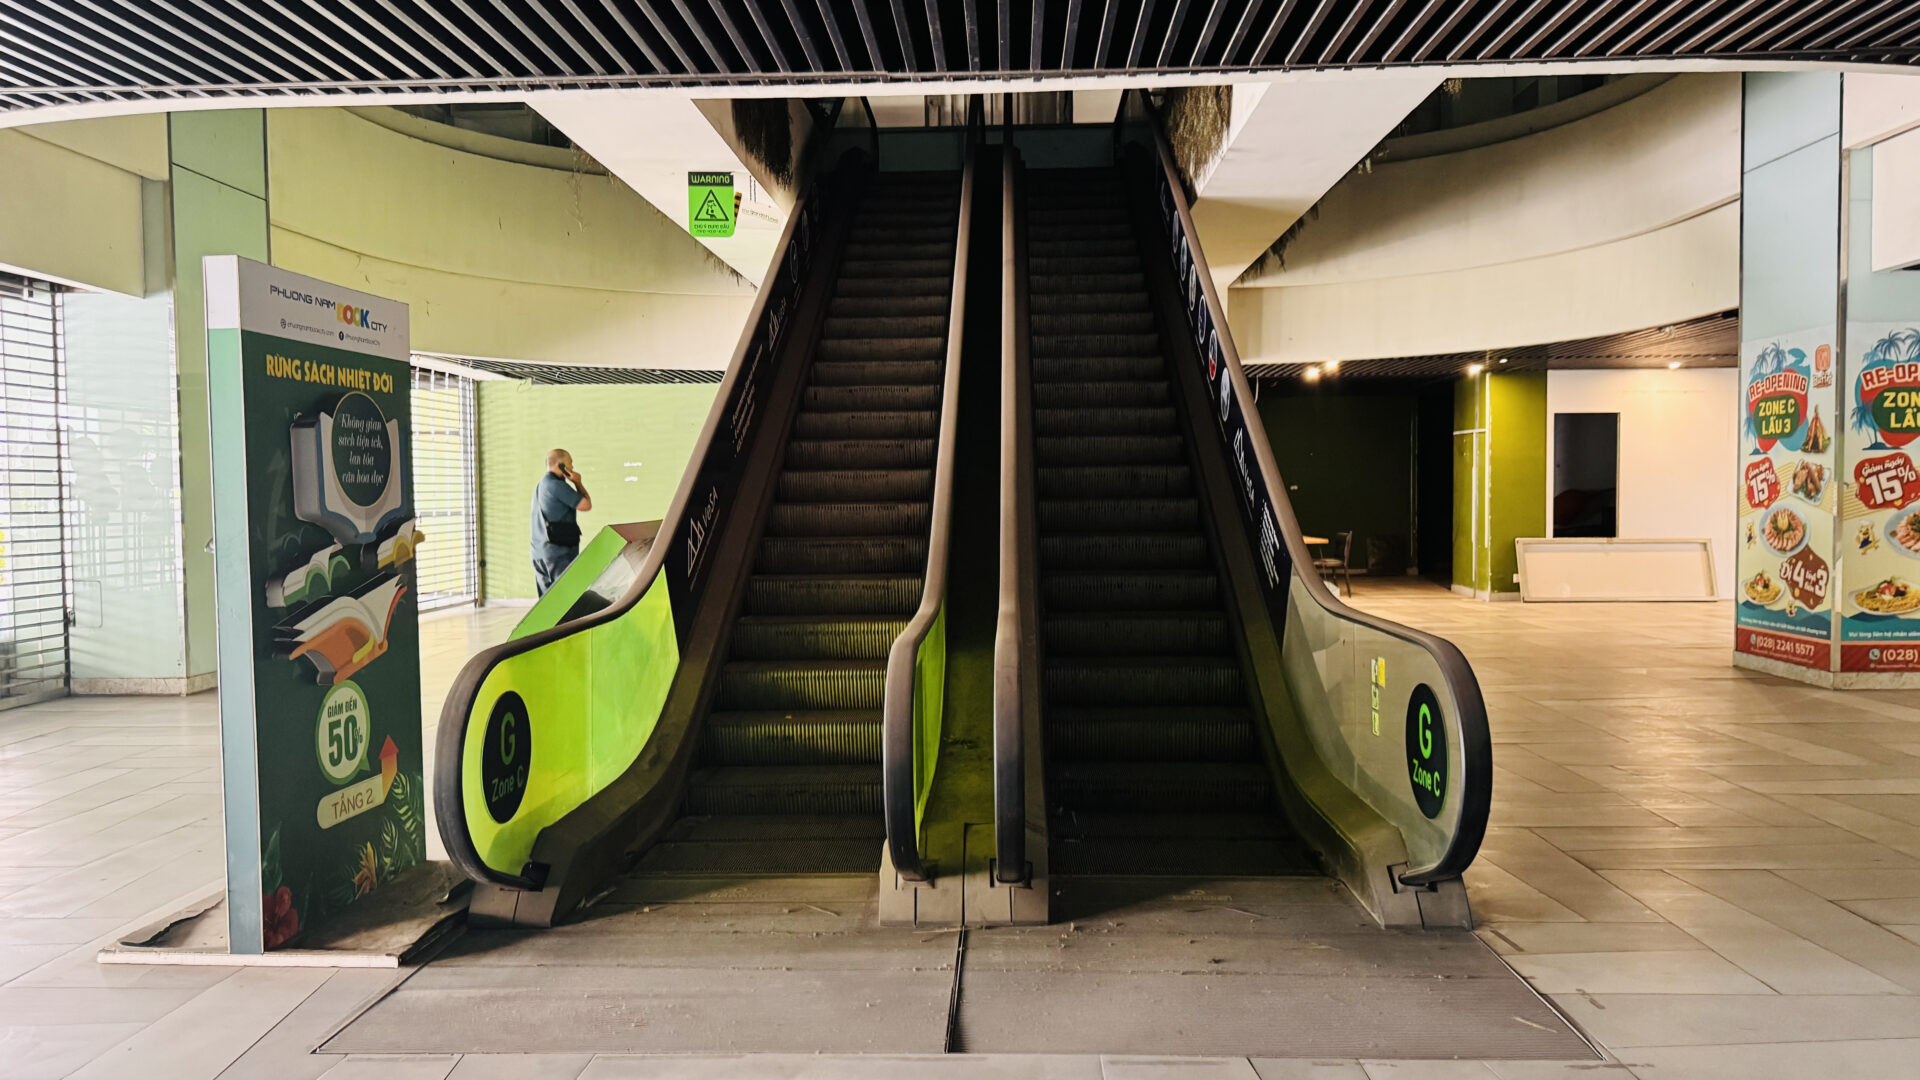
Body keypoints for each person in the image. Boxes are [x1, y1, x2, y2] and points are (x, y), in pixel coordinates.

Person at [530, 448, 592, 596]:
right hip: (558, 553)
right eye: (570, 463)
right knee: (566, 599)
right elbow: (586, 505)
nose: (572, 467)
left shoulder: (541, 486)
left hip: (539, 552)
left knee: (548, 601)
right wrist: (578, 482)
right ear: (561, 465)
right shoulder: (556, 485)